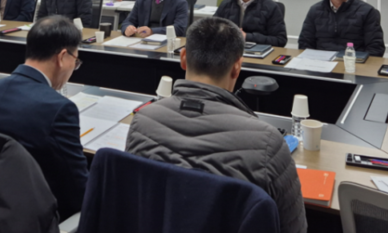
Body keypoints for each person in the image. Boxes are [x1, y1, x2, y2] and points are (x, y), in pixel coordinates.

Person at [125, 17, 306, 233]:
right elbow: (294, 228)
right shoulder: (268, 143)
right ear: (237, 67)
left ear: (183, 59)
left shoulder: (142, 122)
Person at [0, 16, 88, 218]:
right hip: (34, 216)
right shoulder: (59, 108)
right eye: (75, 61)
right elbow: (78, 189)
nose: (73, 69)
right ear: (62, 57)